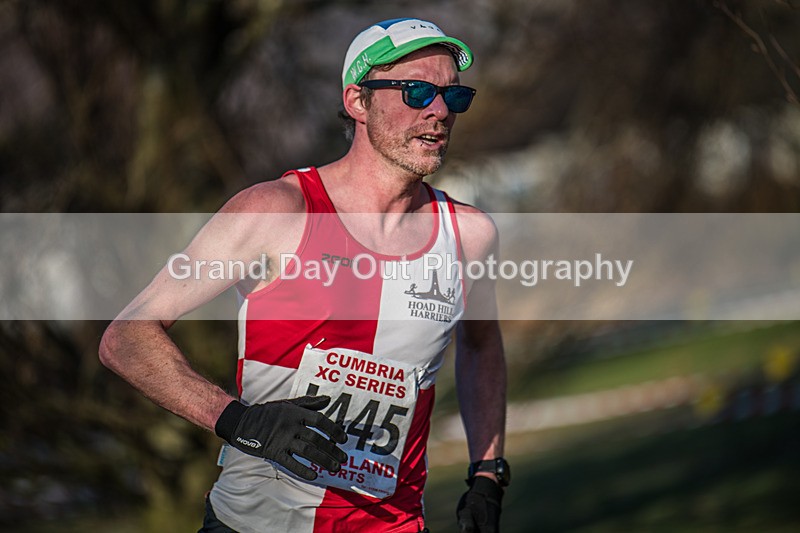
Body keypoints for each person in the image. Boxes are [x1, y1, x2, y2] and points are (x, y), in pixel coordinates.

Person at [100, 17, 508, 533]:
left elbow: (481, 344)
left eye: (454, 96)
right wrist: (240, 422)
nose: (439, 111)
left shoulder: (469, 236)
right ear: (358, 101)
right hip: (253, 524)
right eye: (417, 90)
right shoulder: (276, 211)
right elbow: (126, 335)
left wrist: (488, 472)